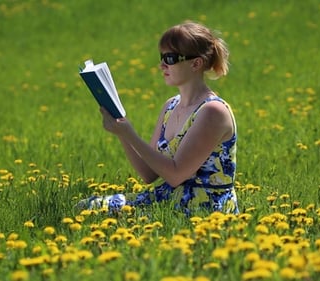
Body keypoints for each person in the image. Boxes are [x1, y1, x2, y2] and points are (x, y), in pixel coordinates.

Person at [76, 21, 239, 215]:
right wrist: (122, 131)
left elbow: (176, 175)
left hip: (204, 209)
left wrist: (131, 134)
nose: (162, 65)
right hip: (169, 199)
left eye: (170, 58)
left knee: (97, 213)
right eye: (162, 57)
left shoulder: (213, 111)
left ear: (196, 63)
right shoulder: (170, 106)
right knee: (86, 207)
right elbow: (148, 174)